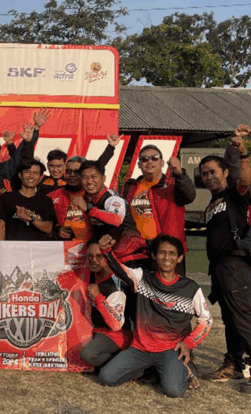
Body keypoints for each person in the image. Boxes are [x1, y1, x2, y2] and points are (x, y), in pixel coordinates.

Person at [199, 126, 251, 393]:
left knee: (244, 319)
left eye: (213, 172)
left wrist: (243, 154)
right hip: (219, 268)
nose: (209, 177)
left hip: (235, 264)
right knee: (231, 319)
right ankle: (233, 365)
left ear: (225, 173)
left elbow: (244, 180)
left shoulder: (234, 193)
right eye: (204, 174)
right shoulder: (212, 203)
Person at [96, 234, 211, 398]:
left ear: (180, 258)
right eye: (162, 253)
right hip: (140, 349)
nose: (167, 258)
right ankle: (154, 370)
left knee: (174, 391)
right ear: (154, 255)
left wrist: (188, 343)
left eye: (172, 254)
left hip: (171, 350)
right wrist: (106, 251)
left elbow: (206, 320)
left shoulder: (190, 288)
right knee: (106, 378)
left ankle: (186, 370)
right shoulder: (142, 278)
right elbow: (121, 270)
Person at [121, 144, 195, 258]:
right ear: (139, 165)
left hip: (168, 252)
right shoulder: (130, 187)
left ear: (162, 163)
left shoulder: (174, 185)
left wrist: (179, 173)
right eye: (144, 159)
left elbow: (189, 196)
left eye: (154, 158)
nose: (149, 161)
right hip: (137, 250)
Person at [80, 241, 132, 369]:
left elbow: (116, 324)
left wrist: (98, 297)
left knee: (88, 354)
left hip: (115, 335)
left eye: (99, 256)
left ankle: (129, 362)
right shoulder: (89, 276)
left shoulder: (114, 283)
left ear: (108, 257)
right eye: (90, 256)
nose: (94, 260)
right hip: (95, 330)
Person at [0, 160, 57, 241]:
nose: (31, 176)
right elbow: (1, 225)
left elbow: (49, 228)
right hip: (12, 247)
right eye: (27, 172)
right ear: (20, 175)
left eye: (35, 173)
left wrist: (30, 218)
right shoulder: (6, 197)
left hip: (38, 247)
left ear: (40, 177)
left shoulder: (46, 200)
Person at [50, 156, 90, 242]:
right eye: (68, 171)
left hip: (90, 247)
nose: (72, 175)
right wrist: (56, 231)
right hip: (62, 247)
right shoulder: (52, 196)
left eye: (77, 172)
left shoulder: (95, 196)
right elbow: (43, 225)